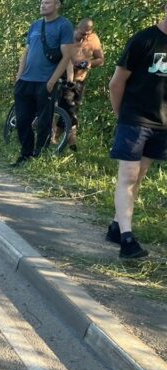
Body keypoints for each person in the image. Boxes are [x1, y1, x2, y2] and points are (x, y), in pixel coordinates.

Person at [106, 3, 167, 259]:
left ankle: (116, 225)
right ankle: (127, 240)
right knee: (129, 177)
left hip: (161, 124)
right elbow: (116, 83)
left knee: (139, 177)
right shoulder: (144, 40)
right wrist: (123, 116)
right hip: (135, 119)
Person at [11, 0, 73, 166]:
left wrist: (51, 82)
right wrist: (19, 76)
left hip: (45, 81)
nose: (42, 5)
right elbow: (27, 52)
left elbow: (66, 56)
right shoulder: (35, 25)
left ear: (57, 5)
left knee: (44, 122)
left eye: (47, 2)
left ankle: (38, 157)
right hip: (26, 80)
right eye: (41, 2)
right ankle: (25, 155)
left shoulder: (64, 25)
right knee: (23, 120)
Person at [58, 18, 105, 151]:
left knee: (72, 110)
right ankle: (70, 142)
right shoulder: (68, 37)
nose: (83, 37)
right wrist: (70, 72)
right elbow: (62, 57)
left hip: (80, 80)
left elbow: (101, 60)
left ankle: (58, 142)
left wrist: (90, 64)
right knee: (68, 109)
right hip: (64, 78)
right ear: (77, 28)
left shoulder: (94, 40)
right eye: (81, 34)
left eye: (87, 35)